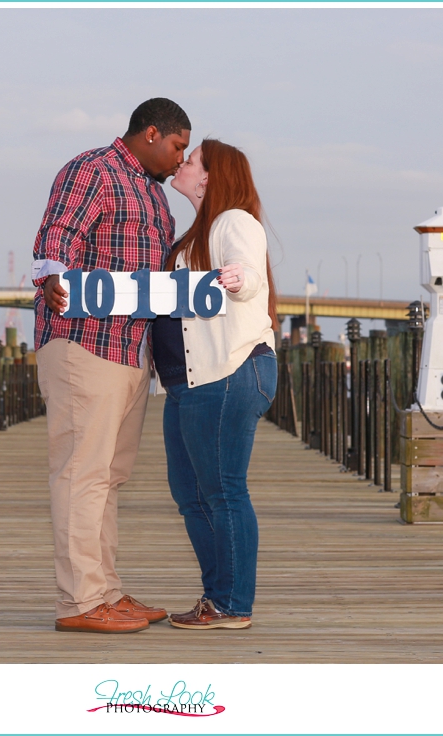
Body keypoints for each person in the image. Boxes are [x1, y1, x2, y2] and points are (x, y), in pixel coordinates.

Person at [32, 98, 191, 633]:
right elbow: (60, 233)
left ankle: (106, 591)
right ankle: (78, 603)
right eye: (177, 147)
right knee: (81, 474)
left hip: (130, 350)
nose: (180, 159)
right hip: (84, 344)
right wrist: (52, 276)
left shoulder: (152, 191)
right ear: (150, 133)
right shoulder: (93, 169)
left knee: (109, 477)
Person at [152, 139, 279, 630]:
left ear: (208, 176)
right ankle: (218, 595)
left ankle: (232, 603)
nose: (182, 165)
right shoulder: (195, 233)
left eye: (191, 160)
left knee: (223, 490)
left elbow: (246, 272)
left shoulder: (233, 221)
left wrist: (237, 278)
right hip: (191, 381)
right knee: (190, 493)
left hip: (227, 371)